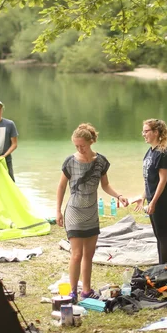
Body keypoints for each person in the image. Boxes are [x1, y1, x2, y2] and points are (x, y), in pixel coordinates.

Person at [56, 123, 128, 302]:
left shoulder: (101, 161)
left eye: (82, 145)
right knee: (76, 254)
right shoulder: (70, 162)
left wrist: (118, 195)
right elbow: (62, 186)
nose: (79, 149)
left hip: (91, 212)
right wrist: (57, 210)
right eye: (76, 146)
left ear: (91, 142)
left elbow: (105, 185)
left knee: (89, 254)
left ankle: (86, 290)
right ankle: (73, 291)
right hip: (74, 211)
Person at [131, 119, 167, 264]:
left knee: (162, 234)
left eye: (146, 131)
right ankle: (162, 265)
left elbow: (163, 180)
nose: (143, 134)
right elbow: (149, 179)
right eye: (143, 131)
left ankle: (164, 267)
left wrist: (154, 202)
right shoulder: (150, 152)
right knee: (158, 234)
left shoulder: (163, 152)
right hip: (153, 198)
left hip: (163, 198)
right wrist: (143, 197)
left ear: (156, 133)